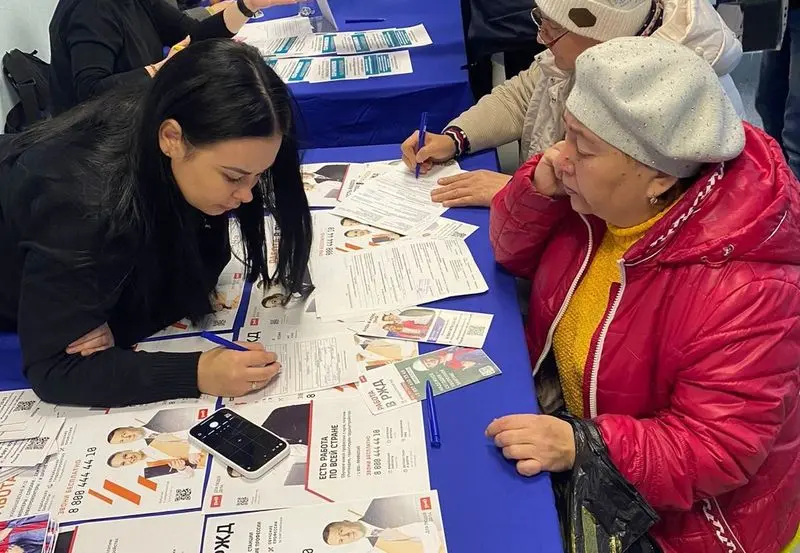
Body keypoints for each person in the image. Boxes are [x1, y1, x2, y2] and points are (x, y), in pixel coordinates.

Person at [487, 37, 799, 553]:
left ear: (657, 175)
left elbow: (718, 448)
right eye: (566, 133)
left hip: (685, 517)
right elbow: (510, 253)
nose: (559, 156)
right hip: (580, 425)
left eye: (582, 146)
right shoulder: (595, 201)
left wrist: (583, 446)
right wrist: (538, 187)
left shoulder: (748, 290)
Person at [0, 40, 312, 407]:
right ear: (172, 139)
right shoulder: (84, 205)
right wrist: (197, 373)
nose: (246, 196)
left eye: (258, 176)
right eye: (233, 177)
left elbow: (210, 261)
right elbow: (55, 371)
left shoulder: (169, 135)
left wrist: (121, 326)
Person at [401, 0, 745, 208]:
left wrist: (520, 192)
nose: (541, 38)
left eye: (553, 30)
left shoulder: (669, 95)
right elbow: (523, 95)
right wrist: (454, 138)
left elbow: (636, 205)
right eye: (541, 21)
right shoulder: (580, 51)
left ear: (606, 38)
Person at [48, 0, 297, 115]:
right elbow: (91, 92)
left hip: (140, 112)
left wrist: (248, 5)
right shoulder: (90, 9)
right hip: (101, 140)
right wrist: (162, 68)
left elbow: (193, 34)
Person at [756, 3, 800, 178]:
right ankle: (782, 182)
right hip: (785, 10)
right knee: (768, 102)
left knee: (795, 126)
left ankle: (793, 197)